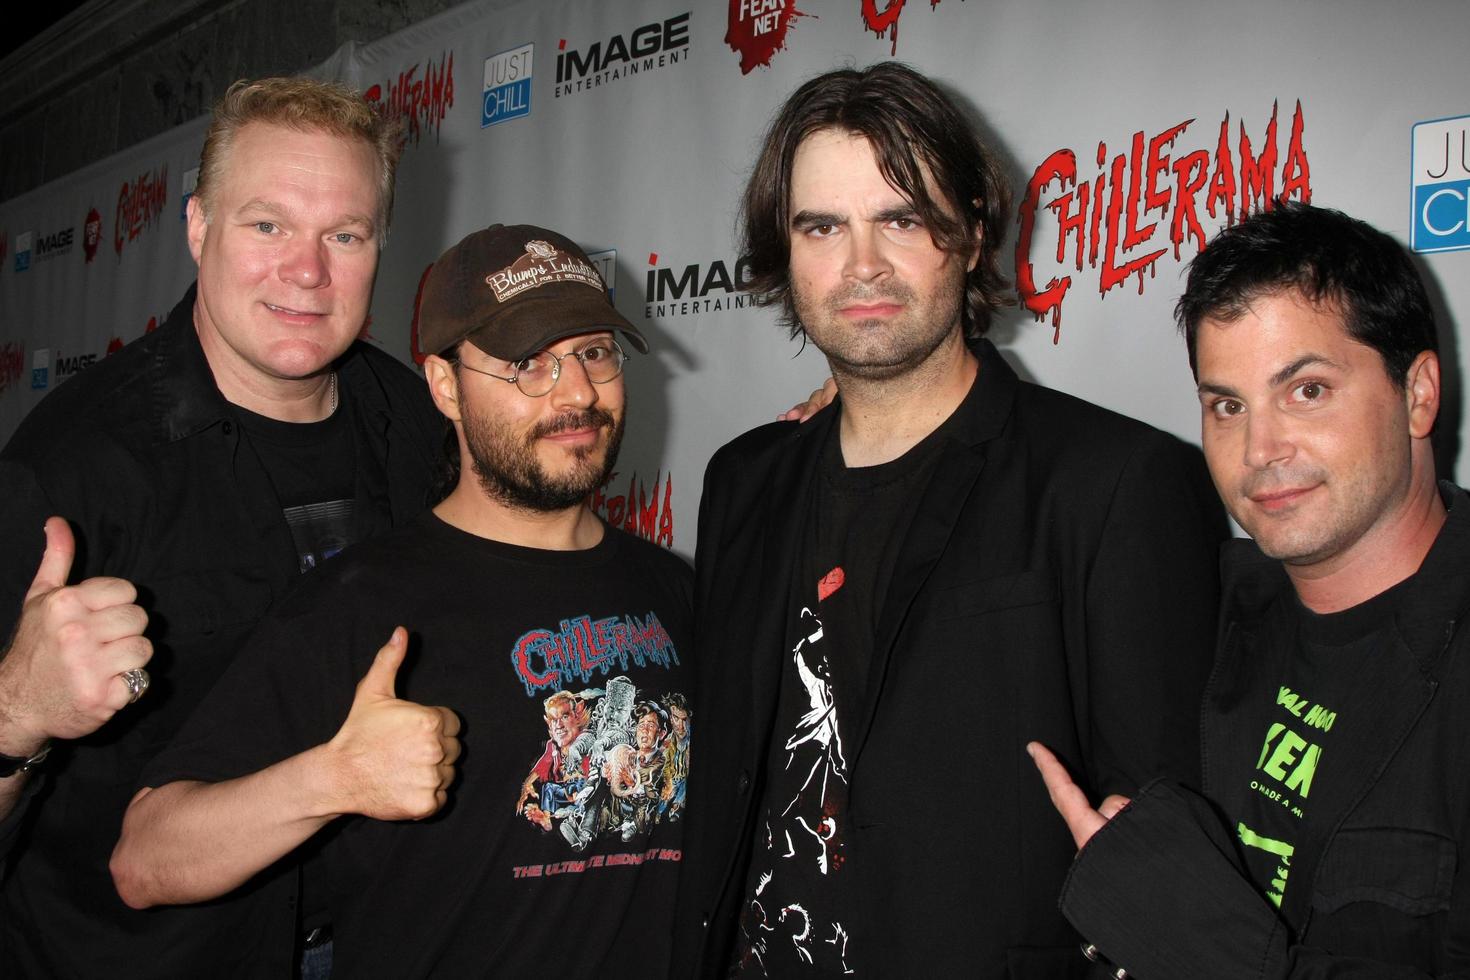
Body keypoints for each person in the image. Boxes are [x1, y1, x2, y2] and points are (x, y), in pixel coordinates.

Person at [674, 61, 1227, 977]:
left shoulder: (1116, 485)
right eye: (822, 226)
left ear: (972, 231)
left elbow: (1159, 862)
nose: (861, 266)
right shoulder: (744, 480)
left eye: (901, 218)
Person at [109, 224, 696, 977]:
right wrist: (333, 778)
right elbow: (145, 859)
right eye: (528, 365)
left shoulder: (674, 589)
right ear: (445, 386)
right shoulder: (364, 603)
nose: (577, 392)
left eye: (593, 353)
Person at [0, 77, 444, 976]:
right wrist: (15, 714)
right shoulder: (76, 461)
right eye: (267, 224)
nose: (307, 271)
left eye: (344, 235)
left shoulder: (422, 425)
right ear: (199, 228)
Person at [1030, 202, 1470, 979]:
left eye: (1306, 391)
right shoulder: (1203, 607)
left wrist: (1202, 942)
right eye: (1226, 406)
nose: (1259, 450)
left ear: (1419, 394)